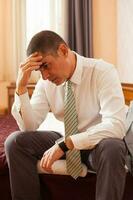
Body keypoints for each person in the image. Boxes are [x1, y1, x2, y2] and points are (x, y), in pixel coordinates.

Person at [5, 30, 127, 200]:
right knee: (14, 142)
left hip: (97, 146)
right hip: (64, 140)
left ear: (63, 50)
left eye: (46, 66)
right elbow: (29, 127)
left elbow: (116, 125)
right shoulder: (45, 83)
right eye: (39, 70)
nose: (45, 76)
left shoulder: (102, 72)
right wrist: (21, 88)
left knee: (114, 147)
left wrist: (67, 143)